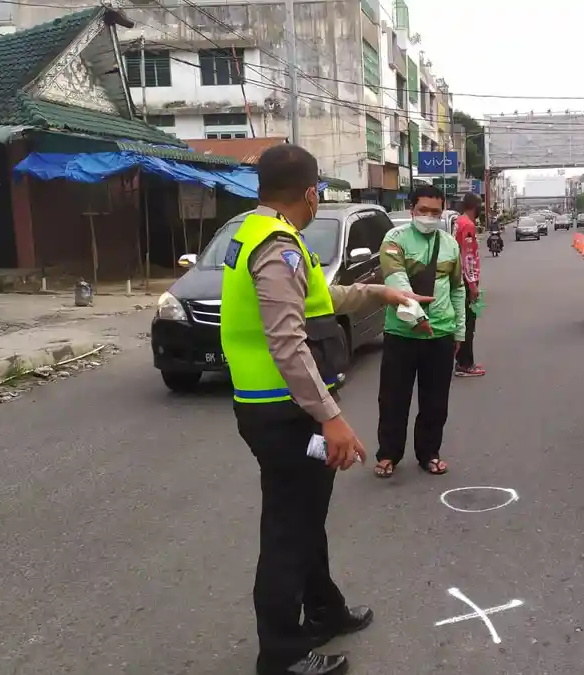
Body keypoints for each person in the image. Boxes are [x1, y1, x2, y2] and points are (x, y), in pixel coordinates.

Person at [222, 144, 432, 675]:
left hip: (278, 407)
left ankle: (324, 611)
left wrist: (380, 293)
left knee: (306, 518)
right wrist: (329, 417)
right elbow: (286, 341)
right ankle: (282, 654)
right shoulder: (277, 246)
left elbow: (321, 299)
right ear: (312, 193)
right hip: (283, 411)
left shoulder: (258, 232)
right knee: (289, 531)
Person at [374, 183, 466, 478]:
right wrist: (416, 318)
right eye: (423, 210)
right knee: (393, 399)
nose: (428, 216)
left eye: (435, 211)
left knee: (435, 401)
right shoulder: (394, 239)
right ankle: (388, 454)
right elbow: (396, 281)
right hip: (401, 334)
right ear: (412, 208)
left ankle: (429, 453)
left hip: (441, 334)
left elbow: (458, 289)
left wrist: (460, 332)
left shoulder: (450, 244)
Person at [453, 192, 485, 377]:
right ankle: (465, 364)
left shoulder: (458, 222)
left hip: (458, 279)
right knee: (468, 323)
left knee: (462, 321)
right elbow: (468, 257)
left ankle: (462, 361)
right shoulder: (468, 225)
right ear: (475, 206)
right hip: (465, 281)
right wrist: (473, 286)